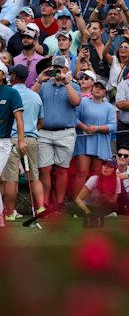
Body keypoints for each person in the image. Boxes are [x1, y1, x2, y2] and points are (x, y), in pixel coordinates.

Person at [32, 56, 81, 209]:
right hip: (45, 132)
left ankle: (59, 204)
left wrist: (66, 81)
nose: (58, 70)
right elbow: (32, 99)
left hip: (65, 132)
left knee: (61, 170)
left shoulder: (73, 85)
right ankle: (44, 204)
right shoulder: (45, 85)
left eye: (61, 67)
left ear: (67, 69)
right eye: (55, 67)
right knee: (44, 169)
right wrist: (39, 80)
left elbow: (76, 101)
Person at [72, 80, 117, 197]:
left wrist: (96, 128)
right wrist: (84, 127)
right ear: (92, 89)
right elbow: (74, 118)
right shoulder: (83, 102)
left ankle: (95, 203)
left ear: (105, 92)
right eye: (96, 86)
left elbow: (113, 126)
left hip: (100, 143)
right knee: (81, 171)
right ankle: (76, 203)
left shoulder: (109, 107)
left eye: (101, 88)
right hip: (83, 141)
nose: (98, 89)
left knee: (96, 174)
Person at [0, 63, 28, 223]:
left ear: (4, 75)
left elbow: (19, 119)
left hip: (3, 141)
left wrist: (22, 140)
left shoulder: (11, 93)